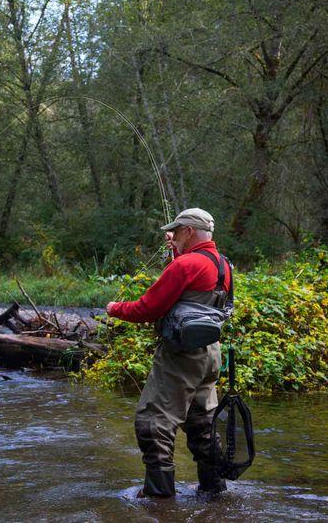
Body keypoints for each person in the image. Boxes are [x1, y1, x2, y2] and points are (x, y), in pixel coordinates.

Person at [106, 208, 231, 498]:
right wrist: (176, 252)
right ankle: (215, 493)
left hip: (181, 355)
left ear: (189, 231)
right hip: (211, 354)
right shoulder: (224, 265)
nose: (172, 235)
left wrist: (114, 309)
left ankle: (159, 500)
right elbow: (196, 292)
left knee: (152, 423)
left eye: (176, 231)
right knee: (202, 424)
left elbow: (148, 309)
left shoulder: (185, 266)